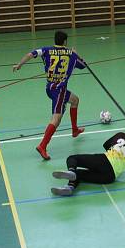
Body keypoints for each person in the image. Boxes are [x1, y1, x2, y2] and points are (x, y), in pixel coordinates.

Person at [13, 30, 86, 160]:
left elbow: (31, 54)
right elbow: (83, 65)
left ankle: (74, 130)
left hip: (50, 87)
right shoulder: (70, 54)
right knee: (56, 119)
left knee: (75, 100)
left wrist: (19, 64)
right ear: (65, 42)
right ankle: (42, 146)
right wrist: (77, 54)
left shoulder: (46, 50)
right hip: (59, 90)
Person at [51, 122, 125, 196]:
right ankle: (70, 187)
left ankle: (71, 172)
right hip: (110, 177)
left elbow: (105, 144)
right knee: (80, 175)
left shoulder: (120, 135)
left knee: (72, 158)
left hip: (104, 161)